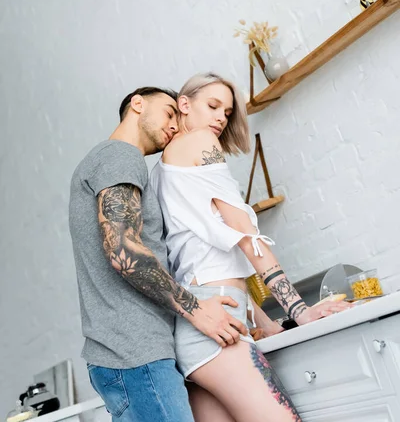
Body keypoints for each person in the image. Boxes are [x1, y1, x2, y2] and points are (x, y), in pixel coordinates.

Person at [150, 72, 352, 422]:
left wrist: (265, 322)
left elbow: (213, 263)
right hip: (217, 329)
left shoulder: (160, 170)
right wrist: (299, 311)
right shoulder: (200, 143)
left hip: (196, 329)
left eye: (227, 113)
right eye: (212, 106)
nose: (219, 118)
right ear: (184, 104)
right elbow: (245, 236)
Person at [69, 86, 251, 422]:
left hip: (129, 355)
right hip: (136, 355)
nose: (173, 124)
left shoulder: (106, 161)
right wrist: (198, 311)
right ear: (137, 105)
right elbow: (123, 249)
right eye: (168, 112)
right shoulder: (120, 156)